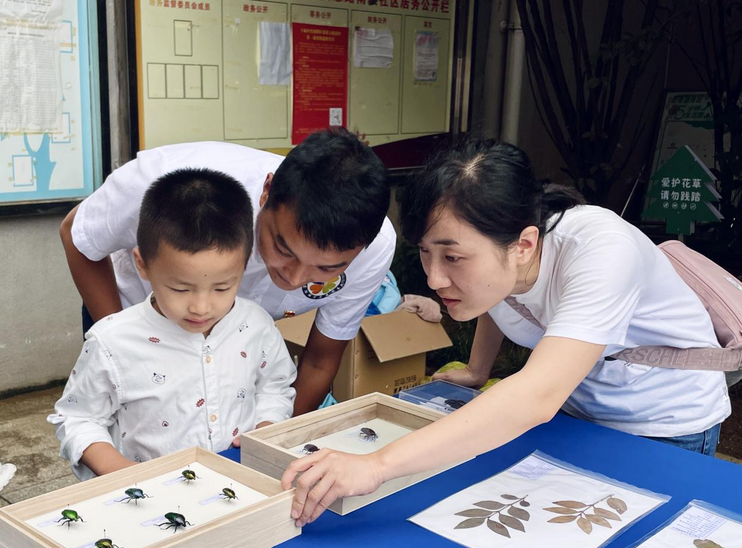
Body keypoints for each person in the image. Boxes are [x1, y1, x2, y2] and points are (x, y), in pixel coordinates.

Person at [281, 140, 731, 526]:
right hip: (580, 412)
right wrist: (478, 370)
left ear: (524, 245)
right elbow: (497, 300)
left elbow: (536, 396)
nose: (434, 279)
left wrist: (377, 465)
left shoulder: (602, 253)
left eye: (453, 258)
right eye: (424, 253)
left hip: (665, 422)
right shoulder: (502, 264)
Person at [59, 128, 395, 416]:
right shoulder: (172, 182)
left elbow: (320, 361)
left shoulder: (375, 250)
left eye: (326, 269)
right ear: (267, 192)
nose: (293, 279)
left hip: (236, 340)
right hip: (132, 310)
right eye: (282, 249)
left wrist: (272, 444)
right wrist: (125, 341)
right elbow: (78, 235)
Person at [49, 169, 296, 480]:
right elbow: (77, 418)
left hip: (238, 484)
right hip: (148, 500)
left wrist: (266, 427)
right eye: (180, 289)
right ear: (143, 265)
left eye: (222, 287)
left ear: (244, 265)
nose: (201, 307)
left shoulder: (256, 325)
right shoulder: (112, 342)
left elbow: (275, 387)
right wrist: (120, 472)